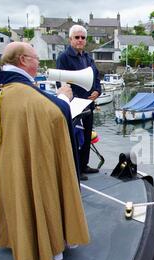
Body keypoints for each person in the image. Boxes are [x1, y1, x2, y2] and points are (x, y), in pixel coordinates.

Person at [0, 42, 90, 260]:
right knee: (39, 192)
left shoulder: (1, 85)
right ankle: (46, 256)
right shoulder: (20, 90)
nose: (38, 62)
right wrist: (63, 98)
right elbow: (52, 113)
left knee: (20, 195)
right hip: (34, 158)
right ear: (23, 60)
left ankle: (20, 239)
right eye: (35, 58)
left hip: (12, 158)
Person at [57, 25, 102, 181]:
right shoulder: (64, 58)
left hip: (88, 104)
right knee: (76, 139)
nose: (80, 40)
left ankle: (84, 165)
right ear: (70, 39)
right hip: (75, 105)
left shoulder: (88, 58)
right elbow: (62, 83)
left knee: (87, 135)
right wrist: (73, 99)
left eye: (83, 37)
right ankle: (76, 169)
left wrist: (97, 91)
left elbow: (96, 77)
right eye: (77, 37)